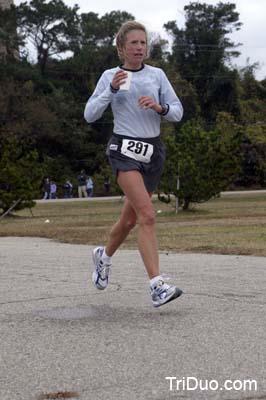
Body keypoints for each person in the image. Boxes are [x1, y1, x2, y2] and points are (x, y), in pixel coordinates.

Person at [84, 21, 184, 308]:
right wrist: (111, 91)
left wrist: (159, 107)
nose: (140, 48)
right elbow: (90, 114)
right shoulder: (111, 76)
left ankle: (103, 257)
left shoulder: (157, 75)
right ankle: (157, 285)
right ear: (121, 48)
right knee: (148, 215)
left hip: (153, 151)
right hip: (123, 149)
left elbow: (177, 112)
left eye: (143, 43)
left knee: (130, 220)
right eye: (134, 43)